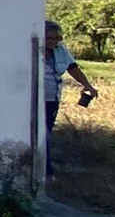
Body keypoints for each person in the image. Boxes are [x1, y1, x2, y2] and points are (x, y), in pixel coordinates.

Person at [41, 20, 96, 175]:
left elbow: (72, 68)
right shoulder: (34, 49)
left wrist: (87, 85)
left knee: (47, 132)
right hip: (37, 97)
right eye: (49, 38)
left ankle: (46, 167)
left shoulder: (60, 51)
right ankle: (46, 169)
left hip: (53, 97)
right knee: (41, 133)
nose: (53, 41)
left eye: (56, 38)